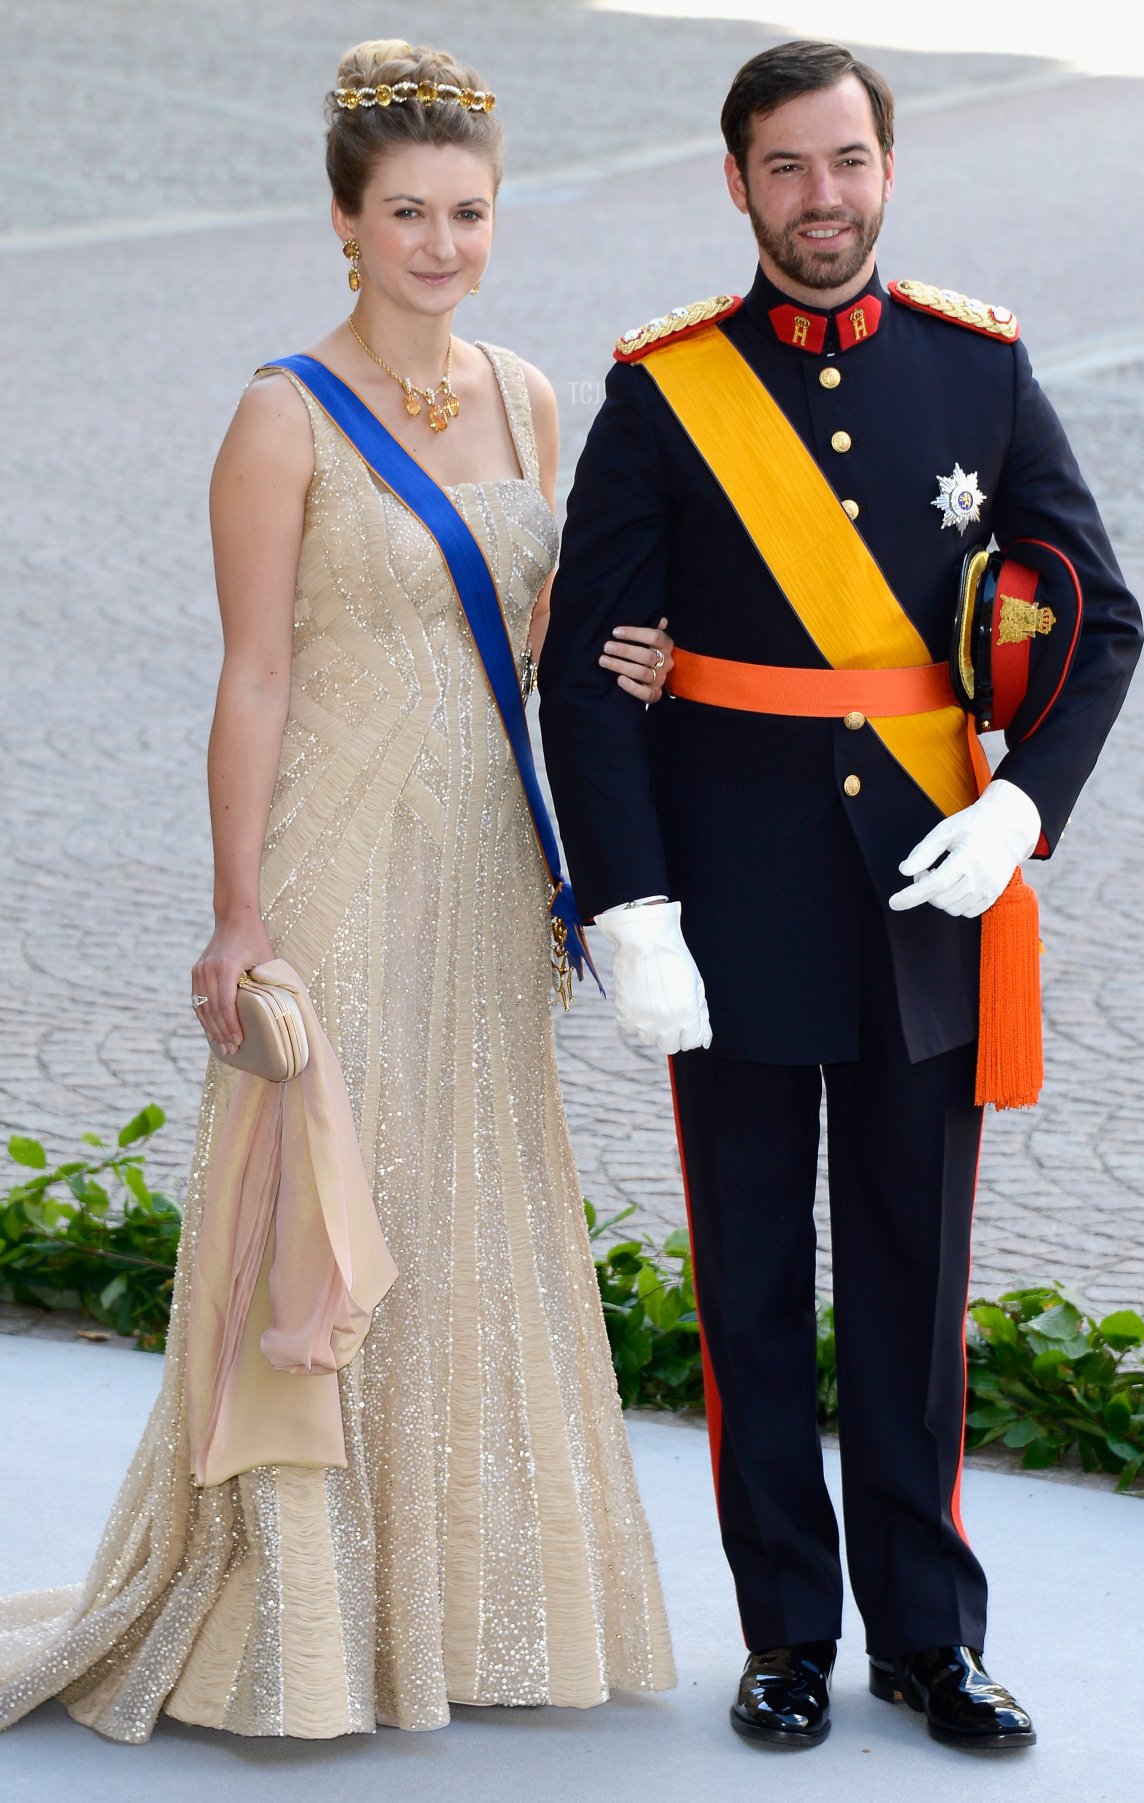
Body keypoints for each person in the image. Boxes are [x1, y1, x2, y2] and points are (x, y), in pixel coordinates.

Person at [0, 39, 677, 1742]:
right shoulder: (278, 414)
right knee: (328, 1203)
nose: (441, 244)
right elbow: (250, 682)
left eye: (468, 214)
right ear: (345, 225)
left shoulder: (528, 398)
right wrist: (239, 915)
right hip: (340, 860)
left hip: (487, 869)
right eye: (408, 215)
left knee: (469, 1208)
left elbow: (526, 647)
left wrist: (624, 664)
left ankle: (445, 1614)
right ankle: (290, 1620)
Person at [538, 38, 1142, 1754]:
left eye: (849, 163)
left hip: (925, 902)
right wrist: (629, 904)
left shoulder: (981, 370)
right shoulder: (665, 394)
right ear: (736, 183)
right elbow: (589, 671)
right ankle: (786, 1634)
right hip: (729, 904)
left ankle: (927, 1643)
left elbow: (1099, 616)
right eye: (788, 169)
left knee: (911, 1272)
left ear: (891, 169)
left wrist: (1025, 806)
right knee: (746, 1288)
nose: (824, 200)